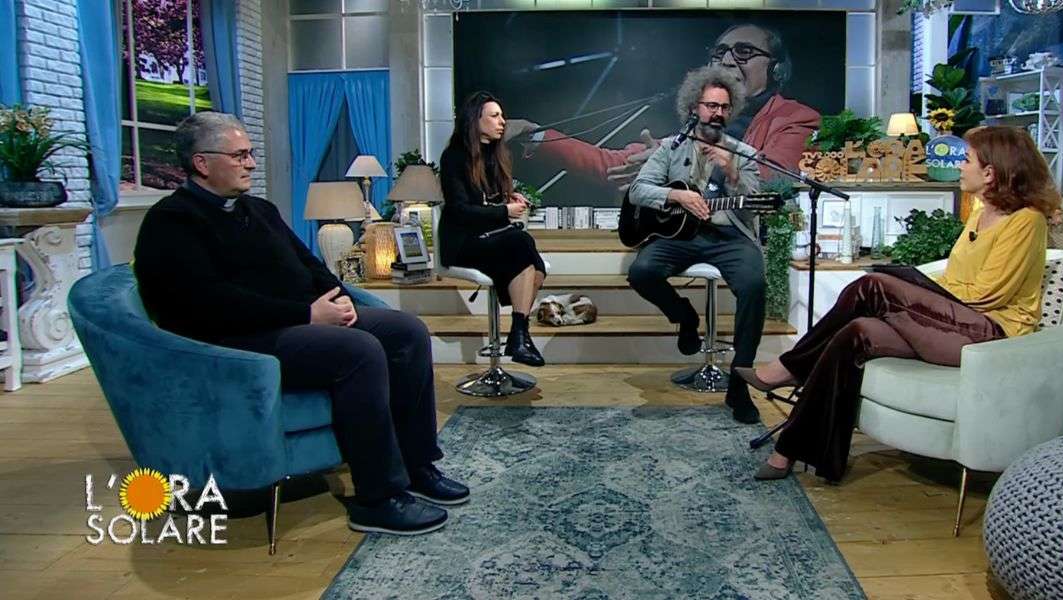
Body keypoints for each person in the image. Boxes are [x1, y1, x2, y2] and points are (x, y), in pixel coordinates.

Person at [133, 112, 468, 537]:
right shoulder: (171, 222)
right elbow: (211, 303)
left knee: (406, 331)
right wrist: (307, 315)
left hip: (297, 319)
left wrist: (339, 298)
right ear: (202, 163)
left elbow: (309, 263)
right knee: (358, 350)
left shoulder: (259, 209)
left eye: (250, 153)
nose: (251, 163)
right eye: (240, 155)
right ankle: (378, 497)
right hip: (234, 342)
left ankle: (416, 465)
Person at [739, 126, 1058, 482]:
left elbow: (987, 294)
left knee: (872, 286)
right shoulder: (981, 211)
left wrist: (919, 293)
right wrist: (920, 289)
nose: (959, 166)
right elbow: (956, 277)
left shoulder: (1027, 221)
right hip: (955, 322)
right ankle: (790, 451)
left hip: (990, 334)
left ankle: (788, 367)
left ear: (990, 172)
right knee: (856, 332)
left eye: (966, 159)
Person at [505, 23, 820, 191]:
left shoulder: (796, 118)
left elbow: (772, 179)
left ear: (776, 69)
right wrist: (534, 134)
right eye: (720, 52)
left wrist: (673, 162)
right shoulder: (698, 121)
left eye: (744, 52)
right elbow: (614, 163)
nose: (726, 60)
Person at [626, 66, 765, 424]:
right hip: (682, 236)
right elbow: (638, 190)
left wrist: (733, 173)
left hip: (730, 237)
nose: (717, 113)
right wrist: (677, 196)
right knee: (642, 271)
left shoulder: (744, 152)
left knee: (754, 286)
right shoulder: (671, 147)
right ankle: (685, 316)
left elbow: (754, 201)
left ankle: (740, 383)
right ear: (694, 108)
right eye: (710, 106)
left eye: (724, 107)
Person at [438, 91, 548, 367]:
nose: (502, 122)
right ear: (475, 120)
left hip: (490, 237)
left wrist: (508, 198)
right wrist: (504, 211)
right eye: (495, 116)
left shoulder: (494, 155)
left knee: (533, 261)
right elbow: (460, 210)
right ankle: (519, 336)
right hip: (463, 242)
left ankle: (519, 334)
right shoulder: (454, 157)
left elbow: (486, 199)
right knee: (522, 244)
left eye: (502, 116)